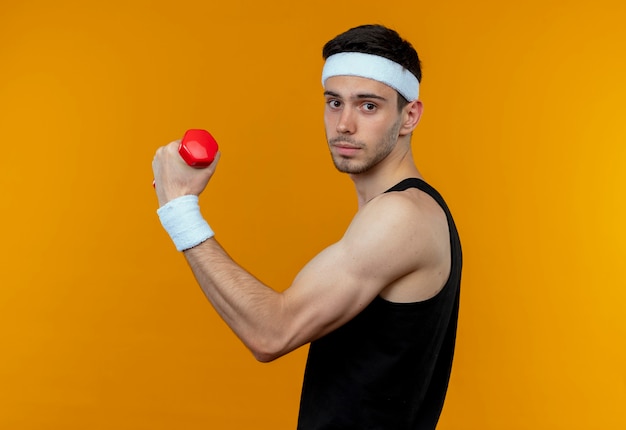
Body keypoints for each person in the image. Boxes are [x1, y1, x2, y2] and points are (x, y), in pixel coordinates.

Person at [152, 24, 462, 430]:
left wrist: (180, 209)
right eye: (335, 103)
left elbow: (272, 333)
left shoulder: (402, 217)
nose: (345, 124)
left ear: (409, 116)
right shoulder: (388, 213)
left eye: (368, 106)